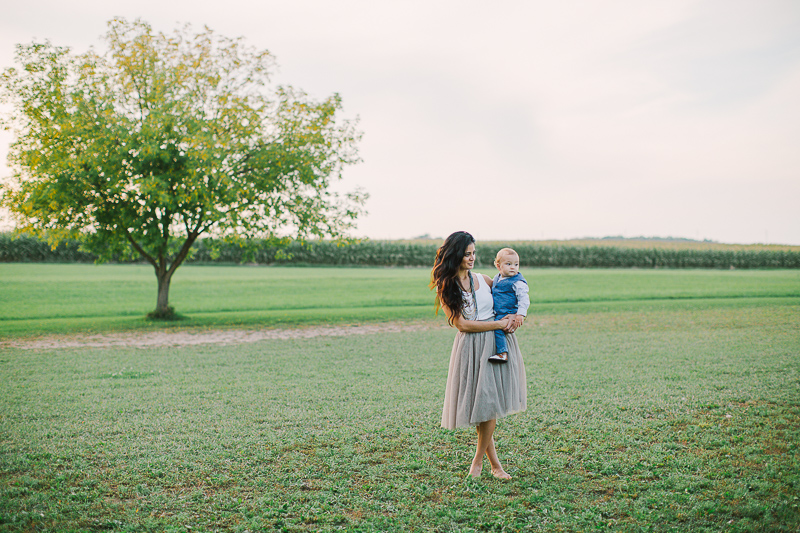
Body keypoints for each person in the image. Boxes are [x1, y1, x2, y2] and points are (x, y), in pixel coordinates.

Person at [430, 231, 527, 480]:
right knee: (482, 404)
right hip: (470, 347)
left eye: (474, 253)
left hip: (496, 345)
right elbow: (462, 324)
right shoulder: (447, 286)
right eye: (467, 254)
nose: (472, 258)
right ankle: (493, 465)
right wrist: (497, 324)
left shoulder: (485, 279)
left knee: (489, 403)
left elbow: (512, 296)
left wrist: (517, 316)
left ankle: (481, 464)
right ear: (456, 256)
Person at [488, 248, 530, 364]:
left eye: (516, 264)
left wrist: (520, 314)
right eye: (508, 264)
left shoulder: (517, 282)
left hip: (507, 312)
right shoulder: (497, 278)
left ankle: (502, 353)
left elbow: (524, 298)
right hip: (498, 311)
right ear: (498, 266)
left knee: (498, 329)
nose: (513, 267)